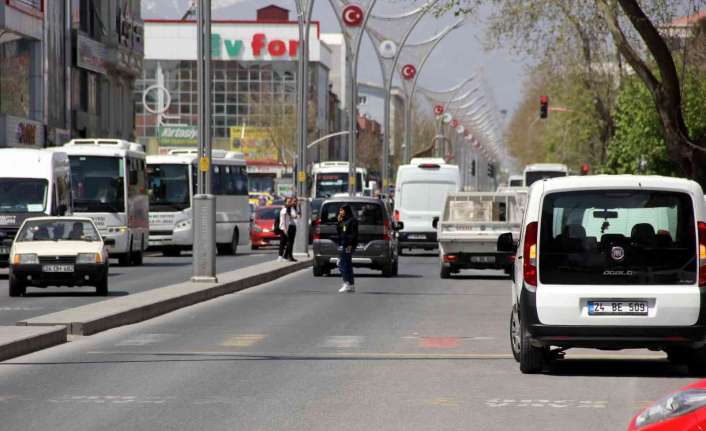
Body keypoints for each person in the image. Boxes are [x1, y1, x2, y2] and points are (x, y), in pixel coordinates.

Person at [336, 203, 358, 293]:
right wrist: (339, 222)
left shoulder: (352, 221)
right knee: (346, 263)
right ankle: (350, 284)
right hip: (344, 244)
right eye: (340, 210)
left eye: (342, 210)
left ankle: (347, 283)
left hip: (349, 245)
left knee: (343, 263)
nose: (340, 212)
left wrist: (349, 243)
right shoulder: (344, 221)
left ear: (346, 211)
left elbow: (353, 235)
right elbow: (339, 232)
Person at [284, 197, 298, 261]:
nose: (295, 203)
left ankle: (286, 255)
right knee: (290, 242)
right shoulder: (288, 208)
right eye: (294, 201)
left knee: (291, 242)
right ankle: (290, 256)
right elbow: (288, 215)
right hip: (289, 226)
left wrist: (299, 207)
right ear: (291, 202)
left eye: (296, 201)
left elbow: (299, 215)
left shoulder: (294, 208)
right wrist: (293, 216)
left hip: (294, 226)